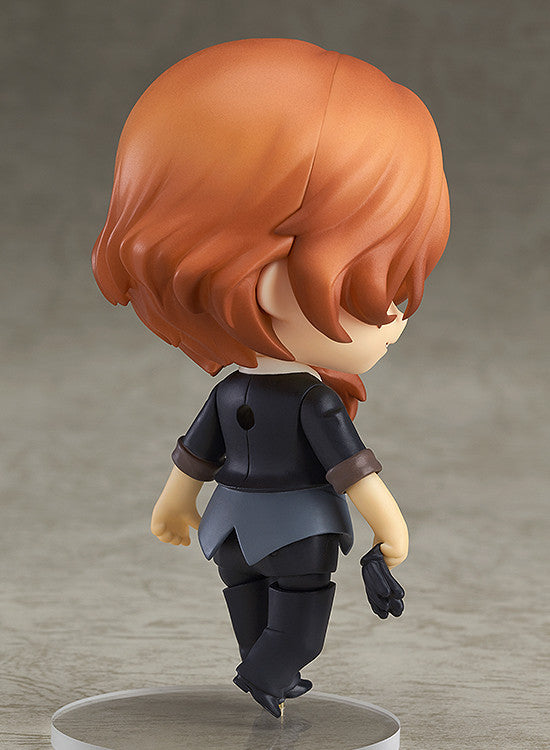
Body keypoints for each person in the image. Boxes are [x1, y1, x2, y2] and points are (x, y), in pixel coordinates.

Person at [92, 38, 450, 718]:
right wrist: (393, 529)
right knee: (301, 627)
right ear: (271, 278)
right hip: (296, 531)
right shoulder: (315, 401)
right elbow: (355, 474)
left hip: (229, 526)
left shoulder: (230, 390)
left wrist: (173, 506)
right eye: (378, 289)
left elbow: (195, 455)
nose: (398, 317)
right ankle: (266, 673)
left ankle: (267, 674)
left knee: (247, 599)